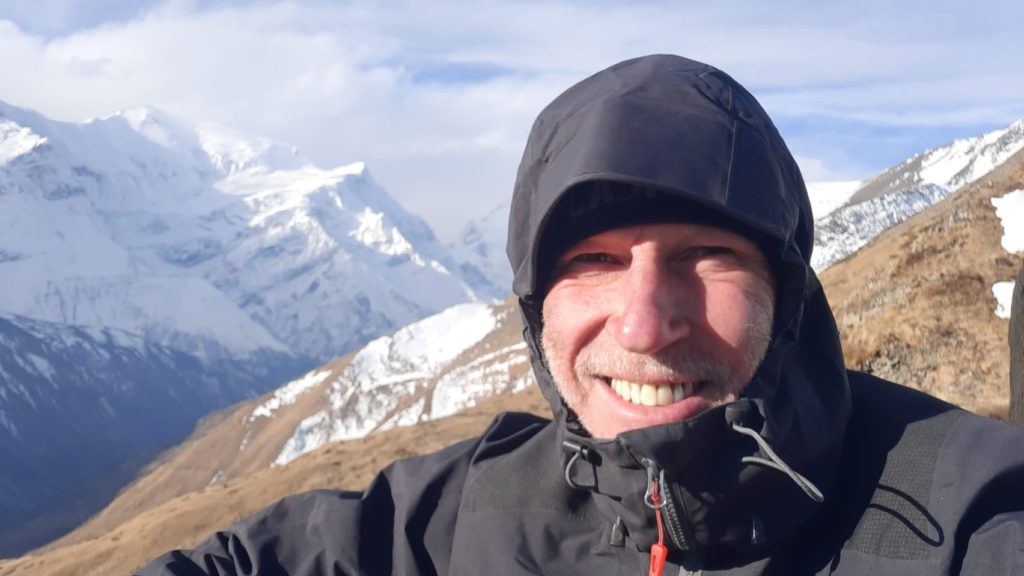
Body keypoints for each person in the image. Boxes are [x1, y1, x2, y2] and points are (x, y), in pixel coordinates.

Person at [136, 55, 1024, 575]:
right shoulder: (467, 514)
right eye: (592, 262)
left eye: (706, 255)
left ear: (784, 294)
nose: (643, 324)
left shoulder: (965, 513)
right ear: (536, 309)